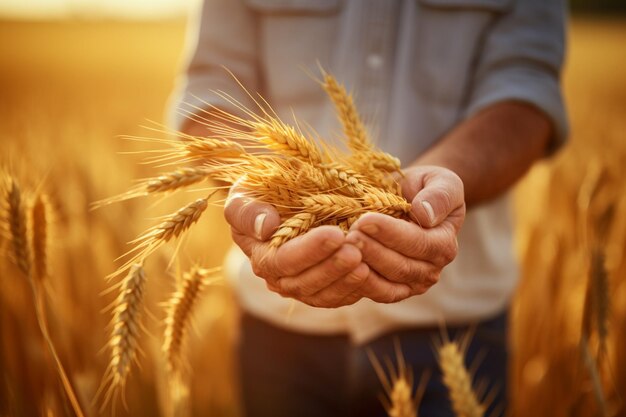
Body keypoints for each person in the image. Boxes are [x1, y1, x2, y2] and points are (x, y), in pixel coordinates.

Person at [170, 0, 568, 416]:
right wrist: (264, 182)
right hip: (278, 336)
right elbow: (208, 91)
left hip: (455, 334)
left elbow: (527, 88)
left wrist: (438, 187)